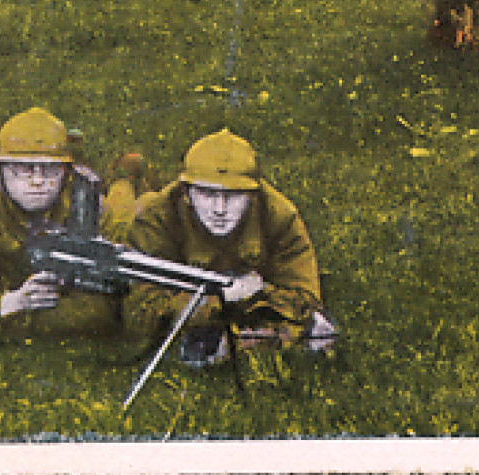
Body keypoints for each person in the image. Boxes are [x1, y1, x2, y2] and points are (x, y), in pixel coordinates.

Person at [124, 129, 336, 363]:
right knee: (120, 211)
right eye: (206, 194)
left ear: (252, 196)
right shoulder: (156, 218)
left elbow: (305, 301)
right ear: (186, 193)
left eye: (233, 196)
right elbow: (139, 313)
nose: (219, 209)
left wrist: (256, 294)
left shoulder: (279, 216)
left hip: (236, 300)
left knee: (321, 329)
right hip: (126, 217)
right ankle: (125, 179)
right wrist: (219, 301)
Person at [0, 108, 136, 341]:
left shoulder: (89, 210)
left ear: (67, 173)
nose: (38, 181)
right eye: (23, 168)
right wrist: (7, 304)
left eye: (50, 169)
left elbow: (109, 308)